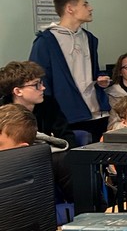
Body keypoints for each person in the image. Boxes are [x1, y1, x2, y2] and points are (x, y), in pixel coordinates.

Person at [28, 0, 110, 139]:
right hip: (67, 117)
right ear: (70, 9)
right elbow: (40, 81)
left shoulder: (89, 38)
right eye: (85, 4)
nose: (90, 8)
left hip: (96, 113)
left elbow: (94, 71)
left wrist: (101, 79)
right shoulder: (46, 41)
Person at [0, 60, 78, 198]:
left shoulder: (49, 104)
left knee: (64, 161)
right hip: (12, 164)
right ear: (18, 91)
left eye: (41, 82)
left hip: (47, 159)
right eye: (36, 85)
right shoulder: (3, 111)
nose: (43, 88)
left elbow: (66, 136)